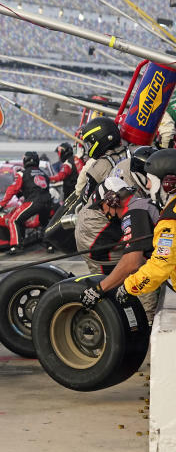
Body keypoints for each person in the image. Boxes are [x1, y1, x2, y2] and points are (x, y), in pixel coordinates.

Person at [97, 150, 176, 313]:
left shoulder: (169, 217)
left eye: (150, 181)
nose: (147, 186)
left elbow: (160, 265)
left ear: (168, 183)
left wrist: (127, 287)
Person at [79, 176, 160, 320]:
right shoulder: (143, 204)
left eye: (101, 206)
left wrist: (99, 289)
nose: (103, 212)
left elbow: (132, 262)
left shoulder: (134, 213)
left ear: (111, 200)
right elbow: (139, 258)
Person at [73, 116, 130, 274]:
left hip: (102, 232)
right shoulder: (129, 153)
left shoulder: (100, 166)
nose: (89, 147)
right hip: (116, 226)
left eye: (90, 143)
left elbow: (86, 199)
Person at [1, 151, 52, 254]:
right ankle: (50, 245)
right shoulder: (44, 173)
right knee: (45, 223)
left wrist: (2, 204)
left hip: (33, 202)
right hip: (47, 202)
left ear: (25, 160)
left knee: (14, 220)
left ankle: (16, 246)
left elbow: (12, 189)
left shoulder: (22, 173)